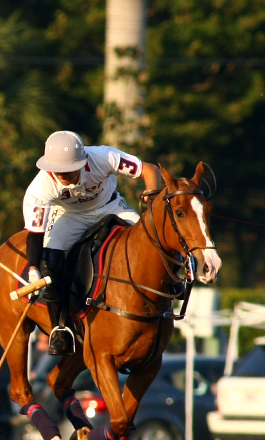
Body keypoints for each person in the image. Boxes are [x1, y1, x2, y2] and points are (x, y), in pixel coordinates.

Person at [22, 130, 161, 355]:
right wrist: (33, 270)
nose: (62, 176)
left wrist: (152, 197)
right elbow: (35, 233)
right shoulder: (40, 188)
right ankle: (61, 329)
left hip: (110, 206)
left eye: (68, 170)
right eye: (58, 170)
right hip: (70, 216)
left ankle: (172, 288)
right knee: (51, 264)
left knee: (152, 242)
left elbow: (150, 170)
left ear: (82, 161)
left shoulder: (103, 157)